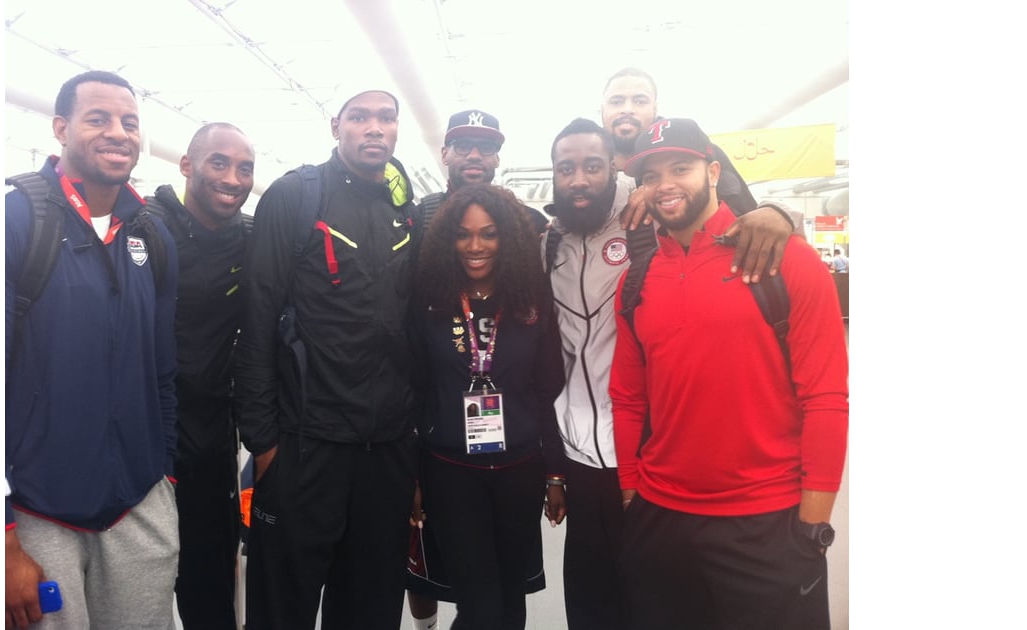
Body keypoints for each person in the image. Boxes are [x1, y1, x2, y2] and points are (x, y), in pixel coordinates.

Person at [543, 117, 793, 630]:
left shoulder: (651, 222)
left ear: (613, 166)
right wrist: (553, 467)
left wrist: (778, 212)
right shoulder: (548, 241)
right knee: (590, 605)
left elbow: (731, 219)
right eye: (565, 169)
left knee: (655, 603)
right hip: (580, 457)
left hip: (650, 454)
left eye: (593, 166)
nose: (579, 180)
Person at [610, 118, 848, 629]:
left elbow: (825, 397)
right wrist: (632, 493)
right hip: (660, 516)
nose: (665, 184)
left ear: (714, 171)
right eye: (651, 176)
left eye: (681, 167)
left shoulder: (789, 263)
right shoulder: (635, 282)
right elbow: (628, 397)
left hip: (766, 521)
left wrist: (814, 525)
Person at [232, 88, 420, 630]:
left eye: (386, 117)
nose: (374, 128)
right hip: (303, 443)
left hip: (383, 449)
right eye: (360, 117)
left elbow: (411, 327)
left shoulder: (402, 206)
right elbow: (258, 321)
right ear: (336, 126)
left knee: (371, 603)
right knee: (282, 604)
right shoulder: (295, 197)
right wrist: (262, 441)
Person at [5, 70, 180, 629]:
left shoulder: (151, 235)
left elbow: (162, 370)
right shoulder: (15, 221)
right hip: (38, 509)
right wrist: (1, 536)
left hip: (138, 500)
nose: (118, 133)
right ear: (60, 128)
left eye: (129, 122)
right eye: (98, 118)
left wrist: (165, 475)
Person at [405, 109, 553, 630]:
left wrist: (554, 470)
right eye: (462, 145)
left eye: (484, 147)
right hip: (450, 466)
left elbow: (546, 380)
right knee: (480, 604)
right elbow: (417, 382)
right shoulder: (417, 225)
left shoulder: (531, 247)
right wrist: (413, 471)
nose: (475, 245)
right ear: (443, 152)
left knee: (509, 604)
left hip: (518, 466)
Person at [145, 122, 255, 629]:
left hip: (211, 440)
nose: (232, 178)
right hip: (139, 437)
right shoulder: (143, 228)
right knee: (134, 586)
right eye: (218, 163)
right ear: (187, 165)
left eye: (244, 168)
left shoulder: (251, 238)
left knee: (209, 579)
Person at [600, 66, 794, 284]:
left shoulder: (698, 155)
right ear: (602, 109)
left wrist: (778, 213)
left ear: (654, 108)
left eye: (640, 101)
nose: (627, 109)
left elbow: (748, 215)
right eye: (616, 101)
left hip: (686, 290)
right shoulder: (588, 164)